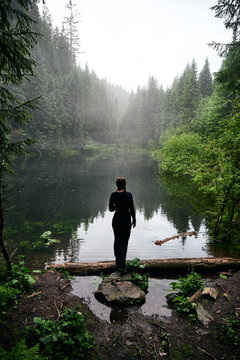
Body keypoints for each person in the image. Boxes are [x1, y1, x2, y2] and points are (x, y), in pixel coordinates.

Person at [109, 177, 136, 274]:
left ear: (117, 185)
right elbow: (132, 208)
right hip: (126, 221)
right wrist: (134, 220)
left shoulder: (113, 195)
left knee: (117, 241)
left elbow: (111, 209)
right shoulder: (128, 195)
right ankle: (122, 266)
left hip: (116, 220)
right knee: (124, 243)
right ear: (125, 184)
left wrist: (117, 206)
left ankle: (118, 264)